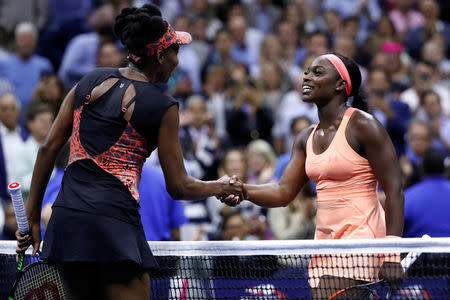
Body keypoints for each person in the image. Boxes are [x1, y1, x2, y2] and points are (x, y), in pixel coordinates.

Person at [16, 4, 244, 300]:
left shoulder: (89, 80)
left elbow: (48, 149)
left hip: (67, 224)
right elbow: (178, 185)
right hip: (114, 227)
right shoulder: (164, 107)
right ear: (160, 56)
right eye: (175, 52)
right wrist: (220, 186)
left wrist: (33, 215)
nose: (177, 61)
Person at [222, 53, 404, 299]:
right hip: (324, 242)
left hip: (362, 238)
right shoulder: (305, 137)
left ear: (340, 85)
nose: (306, 76)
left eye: (317, 72)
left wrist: (391, 253)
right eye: (307, 71)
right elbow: (283, 192)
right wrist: (244, 191)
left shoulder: (364, 126)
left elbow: (394, 192)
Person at [403, 148, 450, 238]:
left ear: (422, 167)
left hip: (418, 250)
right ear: (444, 167)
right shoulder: (408, 196)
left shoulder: (409, 197)